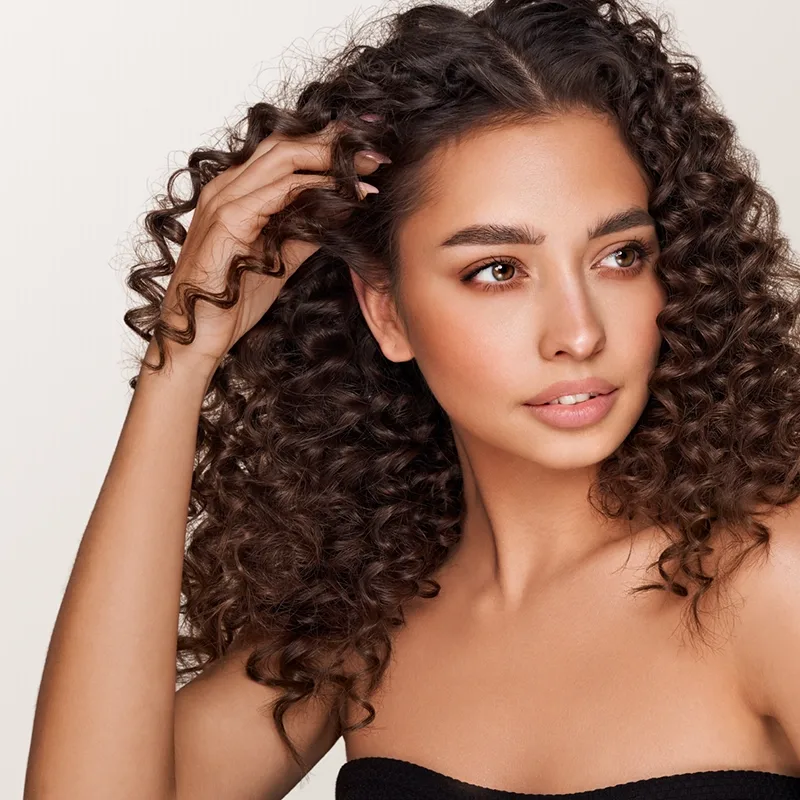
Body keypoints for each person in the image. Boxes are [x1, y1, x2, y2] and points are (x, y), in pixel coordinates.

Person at [24, 0, 800, 798]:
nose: (579, 333)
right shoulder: (368, 626)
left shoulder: (773, 577)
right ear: (387, 312)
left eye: (620, 256)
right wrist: (181, 360)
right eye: (498, 270)